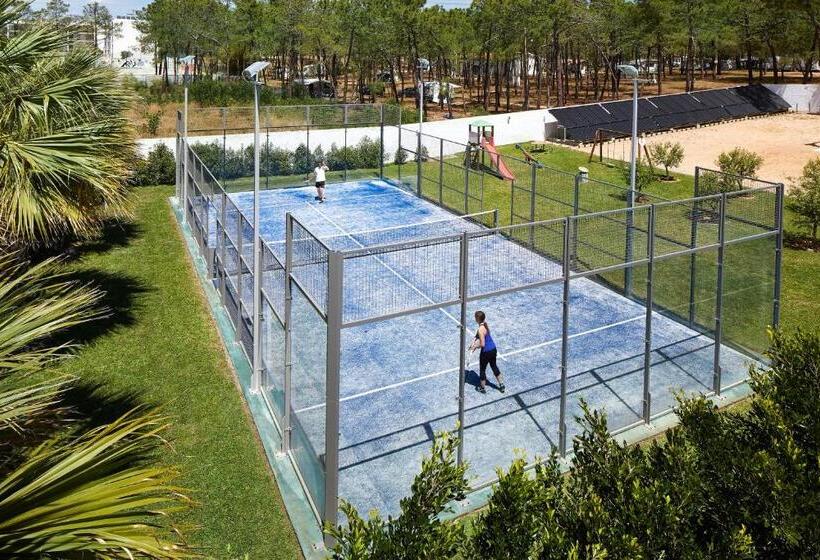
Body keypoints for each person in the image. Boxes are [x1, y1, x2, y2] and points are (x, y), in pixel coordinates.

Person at [469, 311, 505, 394]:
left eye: (475, 317)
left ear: (477, 319)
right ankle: (502, 385)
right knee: (494, 366)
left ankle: (482, 388)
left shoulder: (480, 330)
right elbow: (477, 336)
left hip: (486, 352)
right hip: (493, 349)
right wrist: (473, 342)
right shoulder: (485, 325)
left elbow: (482, 344)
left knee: (482, 369)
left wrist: (475, 346)